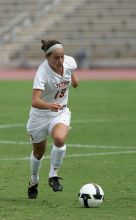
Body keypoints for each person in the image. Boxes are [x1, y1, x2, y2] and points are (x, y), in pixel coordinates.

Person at [26, 39, 79, 199]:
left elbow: (70, 70)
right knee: (38, 153)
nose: (60, 60)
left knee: (60, 138)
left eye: (62, 56)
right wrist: (49, 105)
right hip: (40, 116)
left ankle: (53, 175)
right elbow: (35, 101)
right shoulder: (42, 72)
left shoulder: (68, 62)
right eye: (56, 58)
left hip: (60, 112)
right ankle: (34, 180)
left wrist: (74, 80)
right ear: (47, 57)